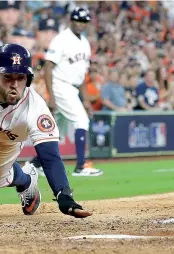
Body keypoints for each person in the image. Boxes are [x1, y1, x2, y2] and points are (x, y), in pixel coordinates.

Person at [0, 44, 92, 218]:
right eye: (8, 77)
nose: (14, 84)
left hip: (5, 141)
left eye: (21, 77)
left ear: (28, 78)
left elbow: (50, 156)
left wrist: (64, 196)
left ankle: (27, 181)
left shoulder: (36, 108)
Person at [29, 7, 103, 177]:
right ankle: (81, 165)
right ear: (71, 20)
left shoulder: (84, 42)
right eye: (78, 20)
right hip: (60, 85)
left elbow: (82, 74)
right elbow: (48, 67)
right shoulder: (61, 39)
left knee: (57, 134)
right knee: (81, 120)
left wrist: (85, 100)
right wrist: (51, 96)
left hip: (73, 87)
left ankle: (36, 163)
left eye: (84, 21)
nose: (81, 24)